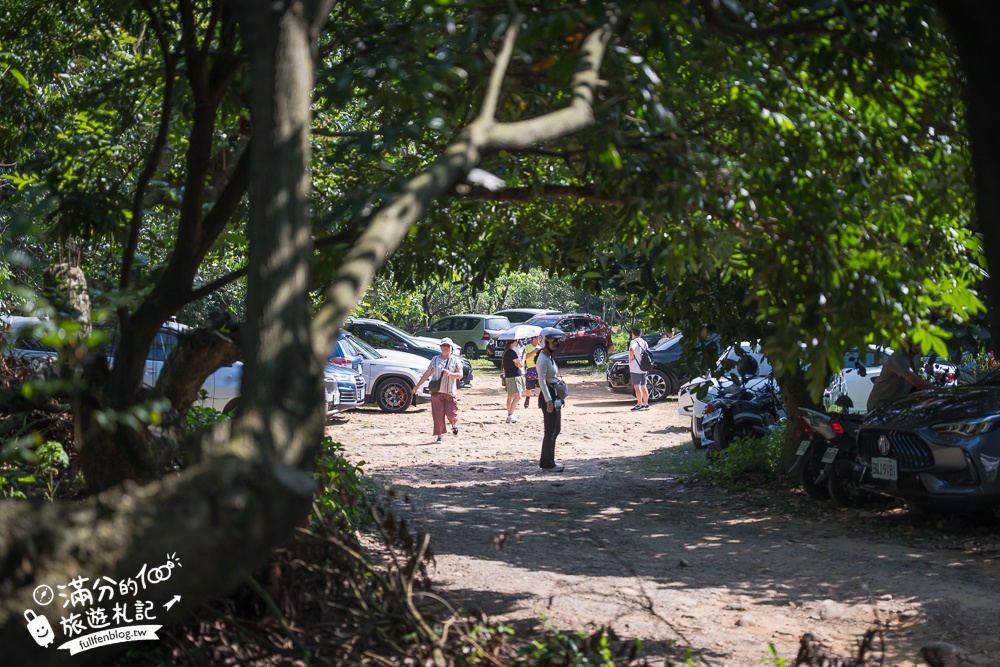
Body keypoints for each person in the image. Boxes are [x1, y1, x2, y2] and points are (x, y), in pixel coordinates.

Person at [415, 337, 464, 443]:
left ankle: (454, 425)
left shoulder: (455, 360)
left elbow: (460, 375)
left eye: (448, 346)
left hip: (450, 392)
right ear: (440, 347)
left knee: (451, 414)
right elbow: (428, 373)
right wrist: (417, 386)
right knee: (438, 415)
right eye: (443, 345)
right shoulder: (435, 359)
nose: (445, 348)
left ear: (451, 348)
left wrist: (450, 374)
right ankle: (439, 436)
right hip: (436, 391)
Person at [866, 340, 935, 412]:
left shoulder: (916, 356)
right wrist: (940, 391)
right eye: (916, 342)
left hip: (896, 404)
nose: (920, 345)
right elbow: (916, 382)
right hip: (880, 405)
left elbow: (914, 384)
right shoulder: (898, 357)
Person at [536, 327, 567, 472]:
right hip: (548, 396)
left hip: (554, 395)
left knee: (556, 429)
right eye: (552, 340)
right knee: (550, 431)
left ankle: (549, 460)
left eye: (556, 340)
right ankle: (547, 463)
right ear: (544, 342)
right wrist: (548, 400)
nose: (555, 343)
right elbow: (541, 381)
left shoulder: (549, 357)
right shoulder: (542, 358)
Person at [501, 338, 525, 422]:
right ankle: (510, 415)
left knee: (510, 396)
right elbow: (520, 364)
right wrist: (524, 356)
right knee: (518, 396)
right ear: (514, 341)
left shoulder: (506, 352)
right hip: (514, 376)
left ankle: (510, 415)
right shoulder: (511, 352)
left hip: (509, 376)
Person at [628, 327, 650, 411]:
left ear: (633, 333)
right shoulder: (644, 342)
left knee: (637, 387)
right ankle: (646, 403)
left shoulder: (633, 341)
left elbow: (631, 349)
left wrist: (631, 358)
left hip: (635, 367)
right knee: (644, 386)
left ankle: (639, 404)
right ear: (641, 333)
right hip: (644, 367)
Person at [522, 335, 540, 408]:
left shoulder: (540, 347)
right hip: (530, 369)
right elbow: (525, 357)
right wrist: (533, 352)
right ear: (532, 339)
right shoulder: (527, 347)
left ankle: (540, 400)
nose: (538, 339)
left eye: (539, 338)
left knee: (539, 386)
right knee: (528, 387)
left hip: (539, 369)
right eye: (536, 338)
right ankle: (527, 398)